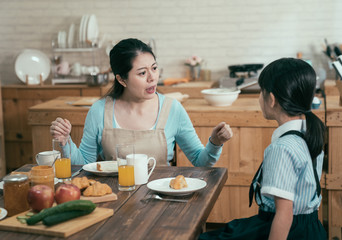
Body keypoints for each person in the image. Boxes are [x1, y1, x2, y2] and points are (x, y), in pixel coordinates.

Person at [50, 38, 233, 166]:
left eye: (154, 68)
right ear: (122, 80)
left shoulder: (172, 109)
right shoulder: (99, 110)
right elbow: (85, 165)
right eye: (142, 73)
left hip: (162, 201)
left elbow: (200, 161)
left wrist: (215, 142)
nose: (152, 78)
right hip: (113, 201)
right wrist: (66, 142)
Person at [199, 58, 327, 240]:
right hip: (311, 228)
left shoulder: (281, 148)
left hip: (288, 230)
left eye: (261, 91)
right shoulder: (310, 134)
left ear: (272, 99)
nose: (260, 97)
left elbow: (284, 214)